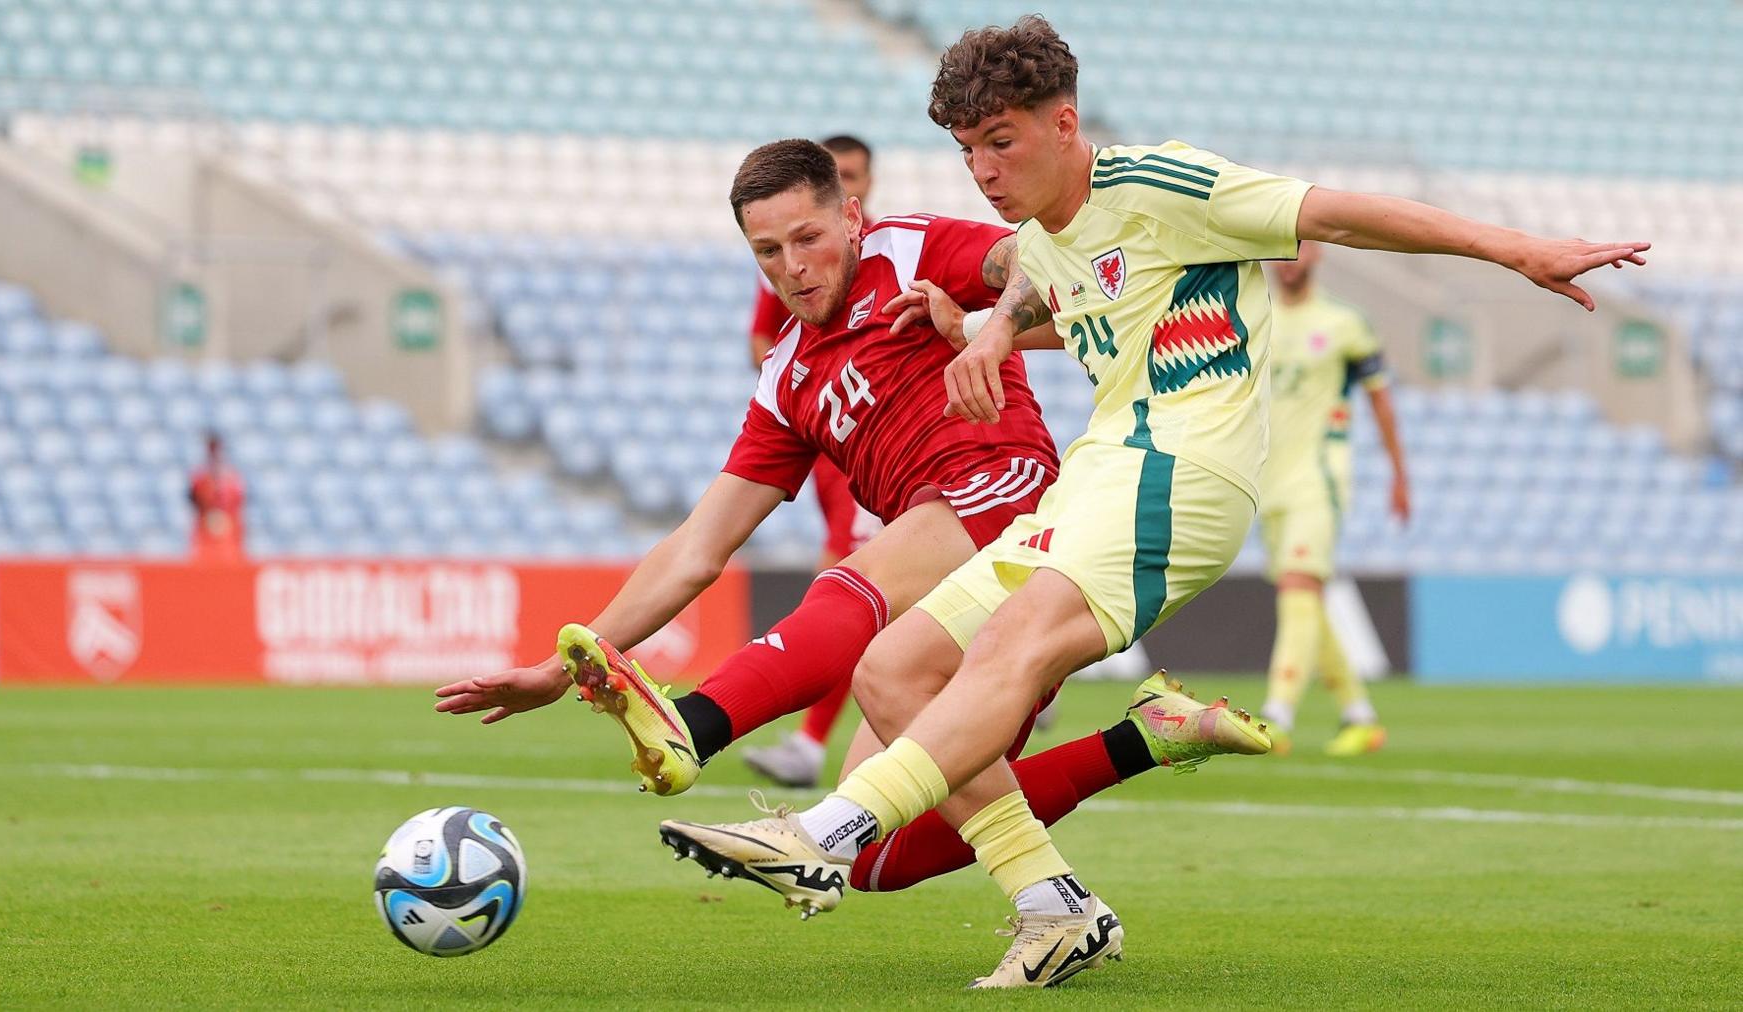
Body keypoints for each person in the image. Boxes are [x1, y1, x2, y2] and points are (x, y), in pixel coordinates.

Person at [660, 15, 1648, 989]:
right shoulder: (1043, 238)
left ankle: (818, 835)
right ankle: (1055, 909)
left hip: (1184, 469)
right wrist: (991, 330)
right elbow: (1061, 293)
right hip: (1102, 472)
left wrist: (1517, 249)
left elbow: (1338, 212)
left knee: (1012, 647)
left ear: (1063, 123)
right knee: (893, 667)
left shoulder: (1161, 181)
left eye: (1002, 142)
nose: (986, 171)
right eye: (968, 152)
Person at [436, 143, 1235, 894]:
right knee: (879, 853)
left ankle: (692, 728)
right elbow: (697, 548)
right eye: (768, 252)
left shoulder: (909, 251)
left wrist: (987, 328)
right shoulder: (786, 378)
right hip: (945, 601)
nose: (793, 267)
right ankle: (1144, 739)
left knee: (851, 583)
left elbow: (1032, 257)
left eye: (807, 238)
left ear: (851, 217)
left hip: (1013, 501)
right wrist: (557, 666)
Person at [742, 135, 884, 789]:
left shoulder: (892, 254)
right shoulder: (798, 265)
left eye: (855, 176)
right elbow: (763, 339)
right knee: (864, 587)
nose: (788, 261)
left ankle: (809, 743)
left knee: (850, 586)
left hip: (886, 453)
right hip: (834, 454)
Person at [1254, 243, 1408, 756]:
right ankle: (1359, 716)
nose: (1288, 261)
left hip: (1318, 479)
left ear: (1317, 254)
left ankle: (1276, 716)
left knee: (1297, 589)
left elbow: (1381, 401)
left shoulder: (1344, 323)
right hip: (1265, 483)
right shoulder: (1254, 320)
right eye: (1280, 252)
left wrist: (1399, 474)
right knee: (1306, 602)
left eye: (1297, 251)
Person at [187, 431, 245, 563]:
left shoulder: (232, 478)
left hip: (227, 537)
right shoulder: (200, 478)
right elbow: (194, 499)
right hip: (206, 537)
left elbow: (237, 502)